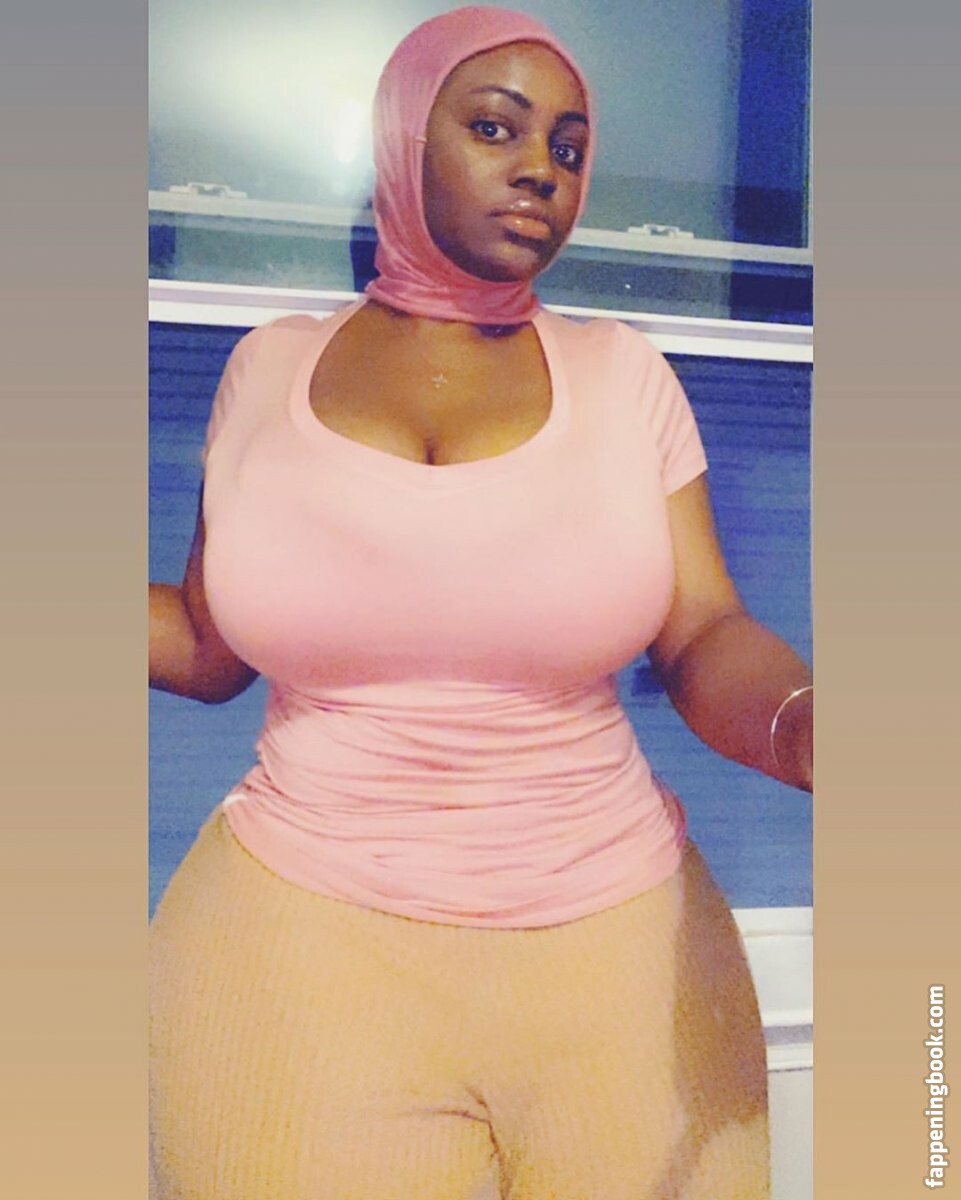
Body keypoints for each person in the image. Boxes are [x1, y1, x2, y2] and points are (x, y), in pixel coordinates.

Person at [149, 6, 812, 1198]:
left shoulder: (624, 375)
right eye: (495, 128)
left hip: (617, 938)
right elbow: (205, 645)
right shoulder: (268, 367)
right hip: (298, 942)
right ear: (403, 141)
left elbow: (705, 634)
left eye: (568, 147)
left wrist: (804, 724)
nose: (540, 171)